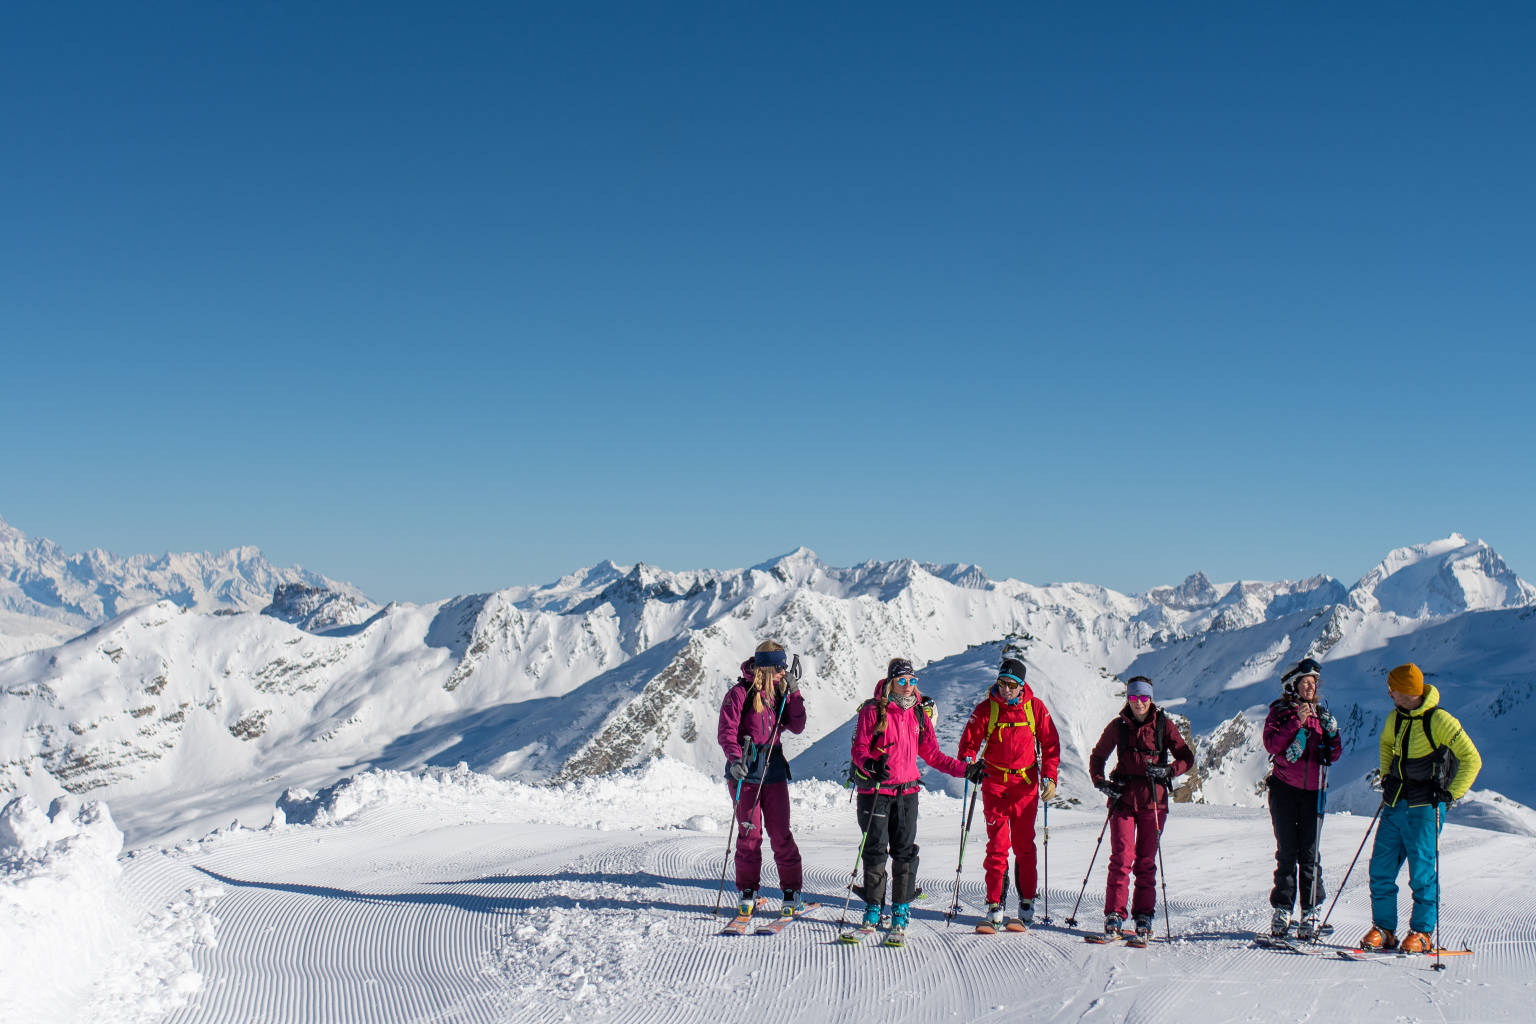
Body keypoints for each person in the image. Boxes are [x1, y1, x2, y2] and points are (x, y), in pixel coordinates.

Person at [1359, 663, 1482, 953]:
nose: (1389, 693)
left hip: (1425, 808)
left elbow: (1472, 759)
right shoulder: (1395, 718)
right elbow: (1386, 744)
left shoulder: (1440, 720)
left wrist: (1449, 794)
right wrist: (1387, 775)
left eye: (1393, 688)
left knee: (1422, 874)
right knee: (1380, 868)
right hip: (1395, 803)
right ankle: (1384, 930)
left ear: (1406, 690)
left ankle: (1423, 933)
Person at [848, 657, 967, 935]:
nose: (907, 686)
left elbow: (933, 755)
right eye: (902, 681)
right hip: (875, 790)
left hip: (907, 793)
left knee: (904, 850)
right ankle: (873, 907)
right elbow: (859, 749)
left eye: (912, 681)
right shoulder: (873, 711)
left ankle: (901, 907)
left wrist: (965, 770)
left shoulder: (919, 714)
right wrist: (870, 764)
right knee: (875, 848)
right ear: (891, 682)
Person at [956, 656, 1062, 929]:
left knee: (1024, 846)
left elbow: (1050, 744)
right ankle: (995, 904)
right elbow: (968, 743)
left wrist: (1050, 777)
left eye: (1012, 685)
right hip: (995, 784)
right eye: (1002, 683)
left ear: (1021, 685)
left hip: (1025, 784)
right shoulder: (986, 709)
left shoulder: (1035, 709)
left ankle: (1026, 902)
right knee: (998, 846)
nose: (1006, 689)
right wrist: (969, 764)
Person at [1088, 675, 1194, 939]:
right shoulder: (1118, 727)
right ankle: (1114, 914)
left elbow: (1186, 757)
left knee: (1146, 861)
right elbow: (1098, 756)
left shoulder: (1164, 726)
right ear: (1128, 698)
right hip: (1123, 799)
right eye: (1134, 698)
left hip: (1153, 802)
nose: (1139, 703)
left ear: (1151, 699)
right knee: (1122, 857)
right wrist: (1101, 783)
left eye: (1144, 697)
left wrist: (1169, 770)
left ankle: (1143, 916)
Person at [717, 640, 806, 918]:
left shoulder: (780, 694)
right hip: (746, 772)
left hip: (774, 770)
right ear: (767, 668)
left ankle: (791, 891)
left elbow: (798, 726)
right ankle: (747, 892)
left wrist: (795, 694)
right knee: (749, 835)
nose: (783, 673)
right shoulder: (739, 693)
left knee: (780, 834)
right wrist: (735, 760)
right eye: (780, 668)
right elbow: (726, 732)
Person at [1262, 657, 1344, 938]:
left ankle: (1310, 911)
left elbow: (1332, 754)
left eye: (1313, 683)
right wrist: (1295, 724)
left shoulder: (1321, 715)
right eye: (1305, 682)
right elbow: (1271, 744)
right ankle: (1283, 909)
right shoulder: (1281, 712)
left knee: (1310, 855)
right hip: (1284, 791)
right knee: (1287, 852)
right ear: (1292, 685)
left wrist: (1333, 734)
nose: (1311, 687)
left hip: (1314, 794)